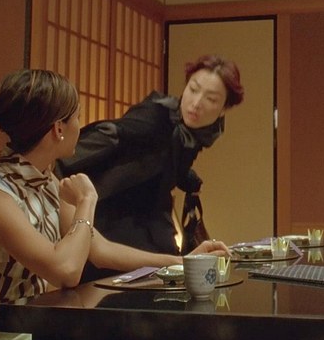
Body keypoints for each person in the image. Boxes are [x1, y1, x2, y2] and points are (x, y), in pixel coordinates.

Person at [0, 69, 229, 340]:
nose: (81, 126)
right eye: (77, 117)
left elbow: (101, 250)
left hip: (32, 328)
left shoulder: (46, 181)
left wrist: (183, 262)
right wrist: (87, 200)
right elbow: (65, 270)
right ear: (58, 129)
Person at [56, 54, 244, 282]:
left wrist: (187, 178)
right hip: (111, 218)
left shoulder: (195, 131)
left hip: (148, 216)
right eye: (193, 89)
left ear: (224, 109)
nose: (196, 103)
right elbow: (108, 136)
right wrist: (53, 161)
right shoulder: (155, 117)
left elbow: (164, 163)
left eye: (211, 99)